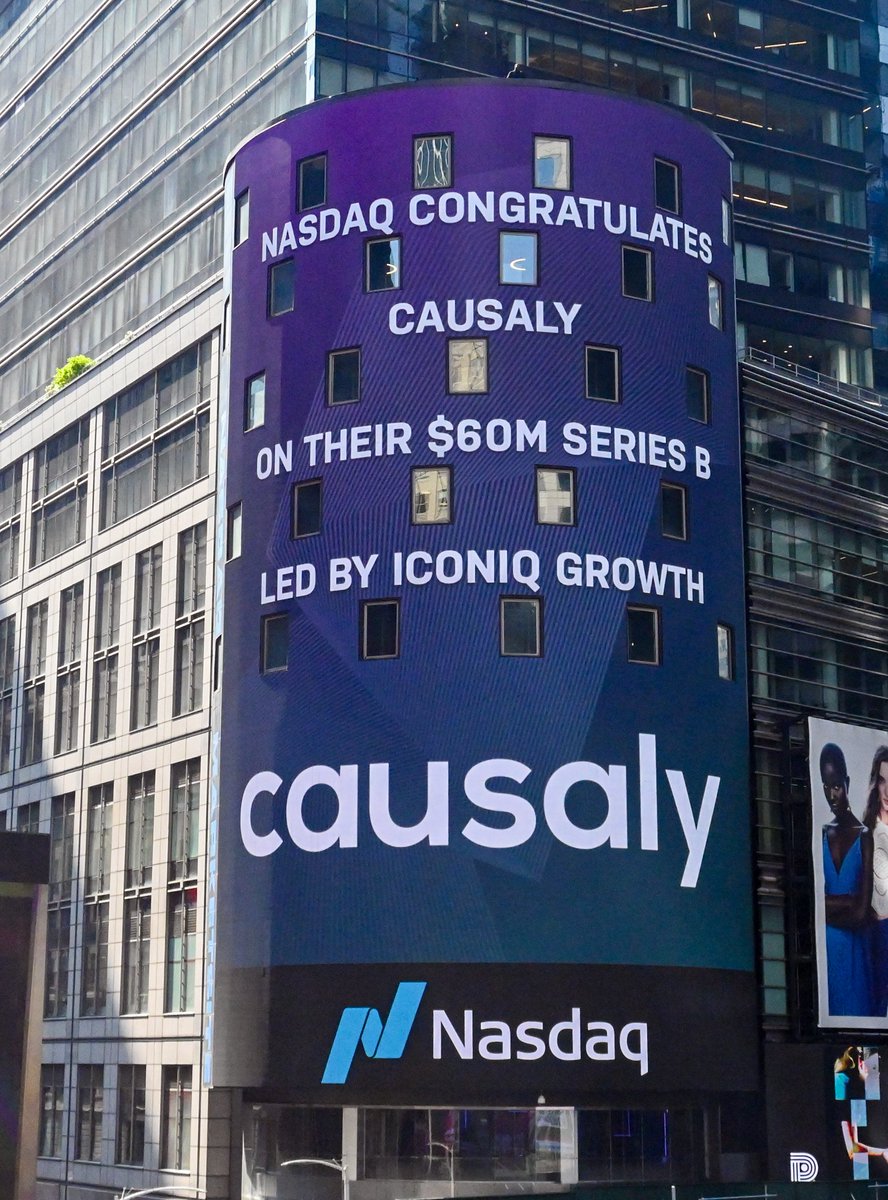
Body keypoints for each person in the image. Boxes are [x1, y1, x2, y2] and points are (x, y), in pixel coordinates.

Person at [821, 743, 876, 1017]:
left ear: (847, 783)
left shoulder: (864, 836)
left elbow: (861, 913)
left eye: (837, 786)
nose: (832, 794)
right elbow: (813, 903)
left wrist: (825, 910)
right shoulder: (821, 834)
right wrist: (845, 900)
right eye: (826, 786)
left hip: (856, 962)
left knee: (863, 1052)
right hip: (828, 967)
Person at [863, 747, 888, 1015]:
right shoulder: (866, 831)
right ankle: (870, 1058)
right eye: (882, 780)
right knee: (877, 1005)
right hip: (877, 928)